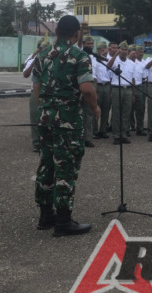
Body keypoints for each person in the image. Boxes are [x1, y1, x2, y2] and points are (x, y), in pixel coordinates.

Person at [32, 15, 99, 237]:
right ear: (76, 33)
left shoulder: (42, 56)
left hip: (45, 120)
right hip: (67, 123)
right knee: (66, 167)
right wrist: (95, 109)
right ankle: (63, 220)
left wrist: (47, 109)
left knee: (47, 164)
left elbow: (36, 91)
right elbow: (87, 89)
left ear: (56, 32)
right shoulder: (78, 56)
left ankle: (45, 216)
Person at [106, 42, 134, 144]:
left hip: (128, 89)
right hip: (117, 88)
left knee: (126, 113)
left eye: (126, 50)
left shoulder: (131, 63)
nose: (124, 51)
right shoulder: (115, 60)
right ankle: (116, 135)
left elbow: (133, 79)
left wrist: (133, 93)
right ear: (119, 50)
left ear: (128, 51)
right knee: (116, 113)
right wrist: (115, 55)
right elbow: (108, 66)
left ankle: (123, 134)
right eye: (122, 49)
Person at [23, 40, 47, 151]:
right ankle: (36, 142)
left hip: (48, 92)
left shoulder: (52, 60)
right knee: (35, 116)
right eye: (43, 49)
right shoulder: (32, 60)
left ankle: (46, 140)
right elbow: (25, 74)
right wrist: (34, 61)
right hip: (35, 92)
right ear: (39, 50)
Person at [92, 42, 112, 140]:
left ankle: (103, 130)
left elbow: (112, 74)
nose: (102, 51)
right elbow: (94, 75)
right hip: (98, 86)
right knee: (96, 108)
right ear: (98, 50)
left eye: (104, 49)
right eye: (100, 49)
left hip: (107, 85)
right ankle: (94, 131)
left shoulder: (109, 60)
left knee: (106, 109)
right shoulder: (95, 60)